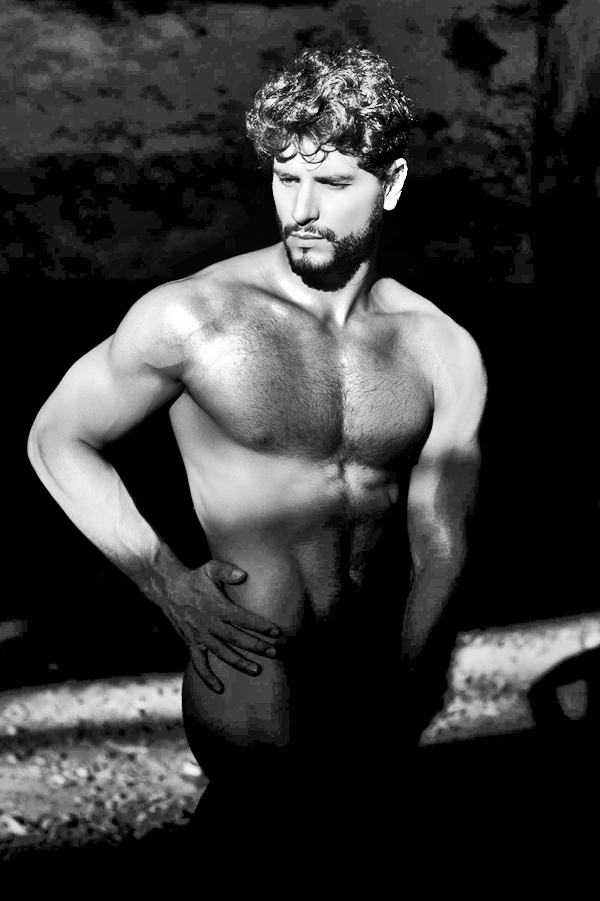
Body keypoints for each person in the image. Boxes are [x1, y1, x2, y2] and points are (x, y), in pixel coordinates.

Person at [27, 44, 486, 855]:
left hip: (372, 685)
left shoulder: (440, 348)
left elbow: (440, 544)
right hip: (252, 678)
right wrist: (167, 583)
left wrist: (413, 684)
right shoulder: (192, 316)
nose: (301, 207)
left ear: (392, 184)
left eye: (333, 182)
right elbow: (56, 437)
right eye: (285, 177)